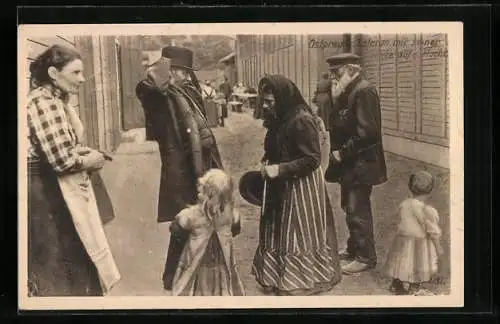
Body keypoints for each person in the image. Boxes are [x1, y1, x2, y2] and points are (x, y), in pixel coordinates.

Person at [27, 45, 121, 296]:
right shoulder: (44, 102)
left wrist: (83, 153)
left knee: (74, 256)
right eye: (76, 72)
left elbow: (62, 149)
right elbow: (60, 161)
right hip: (43, 192)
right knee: (58, 261)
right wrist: (91, 160)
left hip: (52, 187)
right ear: (54, 74)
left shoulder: (56, 100)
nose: (82, 79)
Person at [245, 74, 342, 296]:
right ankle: (275, 277)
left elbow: (312, 160)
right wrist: (266, 160)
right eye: (265, 101)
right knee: (276, 228)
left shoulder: (301, 120)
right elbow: (276, 146)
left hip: (301, 186)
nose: (266, 106)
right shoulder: (279, 117)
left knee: (295, 231)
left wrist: (280, 169)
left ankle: (298, 281)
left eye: (270, 101)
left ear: (283, 98)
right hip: (280, 182)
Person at [135, 53, 224, 292]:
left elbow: (205, 136)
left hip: (201, 164)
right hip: (181, 170)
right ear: (170, 72)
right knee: (185, 222)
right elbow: (145, 89)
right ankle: (174, 278)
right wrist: (158, 73)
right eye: (177, 72)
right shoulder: (162, 97)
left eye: (185, 73)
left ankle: (197, 279)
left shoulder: (187, 93)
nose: (183, 77)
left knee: (202, 219)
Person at [324, 53, 388, 275]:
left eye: (337, 72)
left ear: (351, 70)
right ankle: (354, 248)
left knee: (356, 208)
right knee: (349, 206)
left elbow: (368, 133)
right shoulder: (348, 90)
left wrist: (342, 152)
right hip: (351, 163)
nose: (332, 77)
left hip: (361, 162)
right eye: (331, 72)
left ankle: (365, 257)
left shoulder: (363, 91)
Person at [171, 169, 245, 296]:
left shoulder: (194, 214)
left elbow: (176, 228)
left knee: (197, 287)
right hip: (220, 262)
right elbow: (236, 228)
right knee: (222, 285)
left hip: (199, 264)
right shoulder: (229, 214)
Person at [383, 171, 444, 295]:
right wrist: (438, 248)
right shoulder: (427, 210)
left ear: (410, 187)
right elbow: (433, 231)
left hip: (402, 240)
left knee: (401, 262)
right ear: (430, 190)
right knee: (417, 266)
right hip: (419, 244)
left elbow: (398, 221)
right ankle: (414, 287)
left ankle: (396, 283)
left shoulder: (404, 204)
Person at [162, 46, 206, 117]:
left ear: (187, 73)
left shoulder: (190, 91)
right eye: (168, 69)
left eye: (176, 69)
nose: (171, 72)